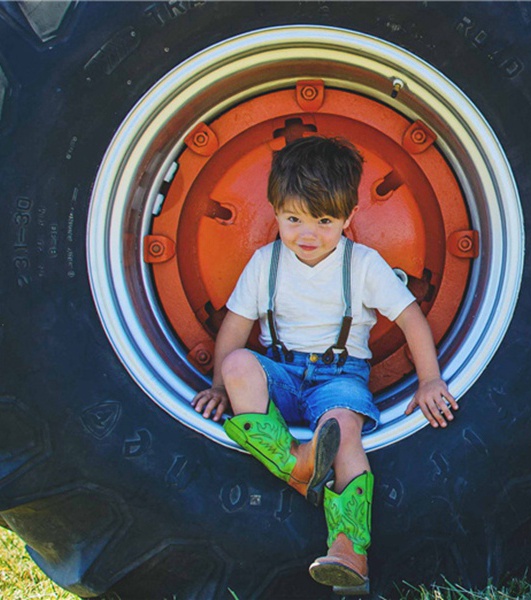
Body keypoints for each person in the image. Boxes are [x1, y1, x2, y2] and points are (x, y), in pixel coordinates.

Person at [191, 135, 457, 595]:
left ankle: (349, 549)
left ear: (349, 217)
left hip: (339, 377)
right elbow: (234, 327)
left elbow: (411, 318)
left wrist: (429, 380)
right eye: (293, 219)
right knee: (236, 363)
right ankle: (296, 463)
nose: (307, 234)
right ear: (274, 211)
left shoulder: (364, 265)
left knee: (343, 429)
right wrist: (219, 386)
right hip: (280, 371)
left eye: (324, 221)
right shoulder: (265, 262)